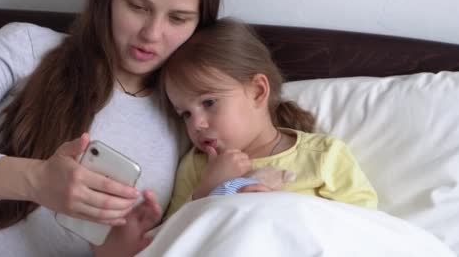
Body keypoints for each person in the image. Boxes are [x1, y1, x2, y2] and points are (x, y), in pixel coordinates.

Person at [0, 0, 221, 256]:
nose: (151, 34)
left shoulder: (189, 122)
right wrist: (38, 180)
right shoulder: (26, 46)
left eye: (177, 18)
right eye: (137, 6)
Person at [161, 18, 378, 218]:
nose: (197, 124)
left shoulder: (323, 156)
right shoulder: (197, 166)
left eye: (209, 103)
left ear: (257, 91)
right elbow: (175, 238)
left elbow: (364, 226)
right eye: (185, 114)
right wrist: (207, 190)